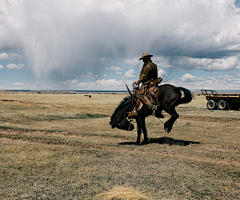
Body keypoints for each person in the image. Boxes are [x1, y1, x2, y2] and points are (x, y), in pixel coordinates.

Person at [128, 52, 159, 118]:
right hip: (154, 82)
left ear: (146, 58)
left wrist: (138, 81)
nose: (143, 60)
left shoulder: (147, 66)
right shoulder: (154, 65)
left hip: (147, 83)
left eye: (143, 59)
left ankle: (152, 106)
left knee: (140, 95)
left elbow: (144, 76)